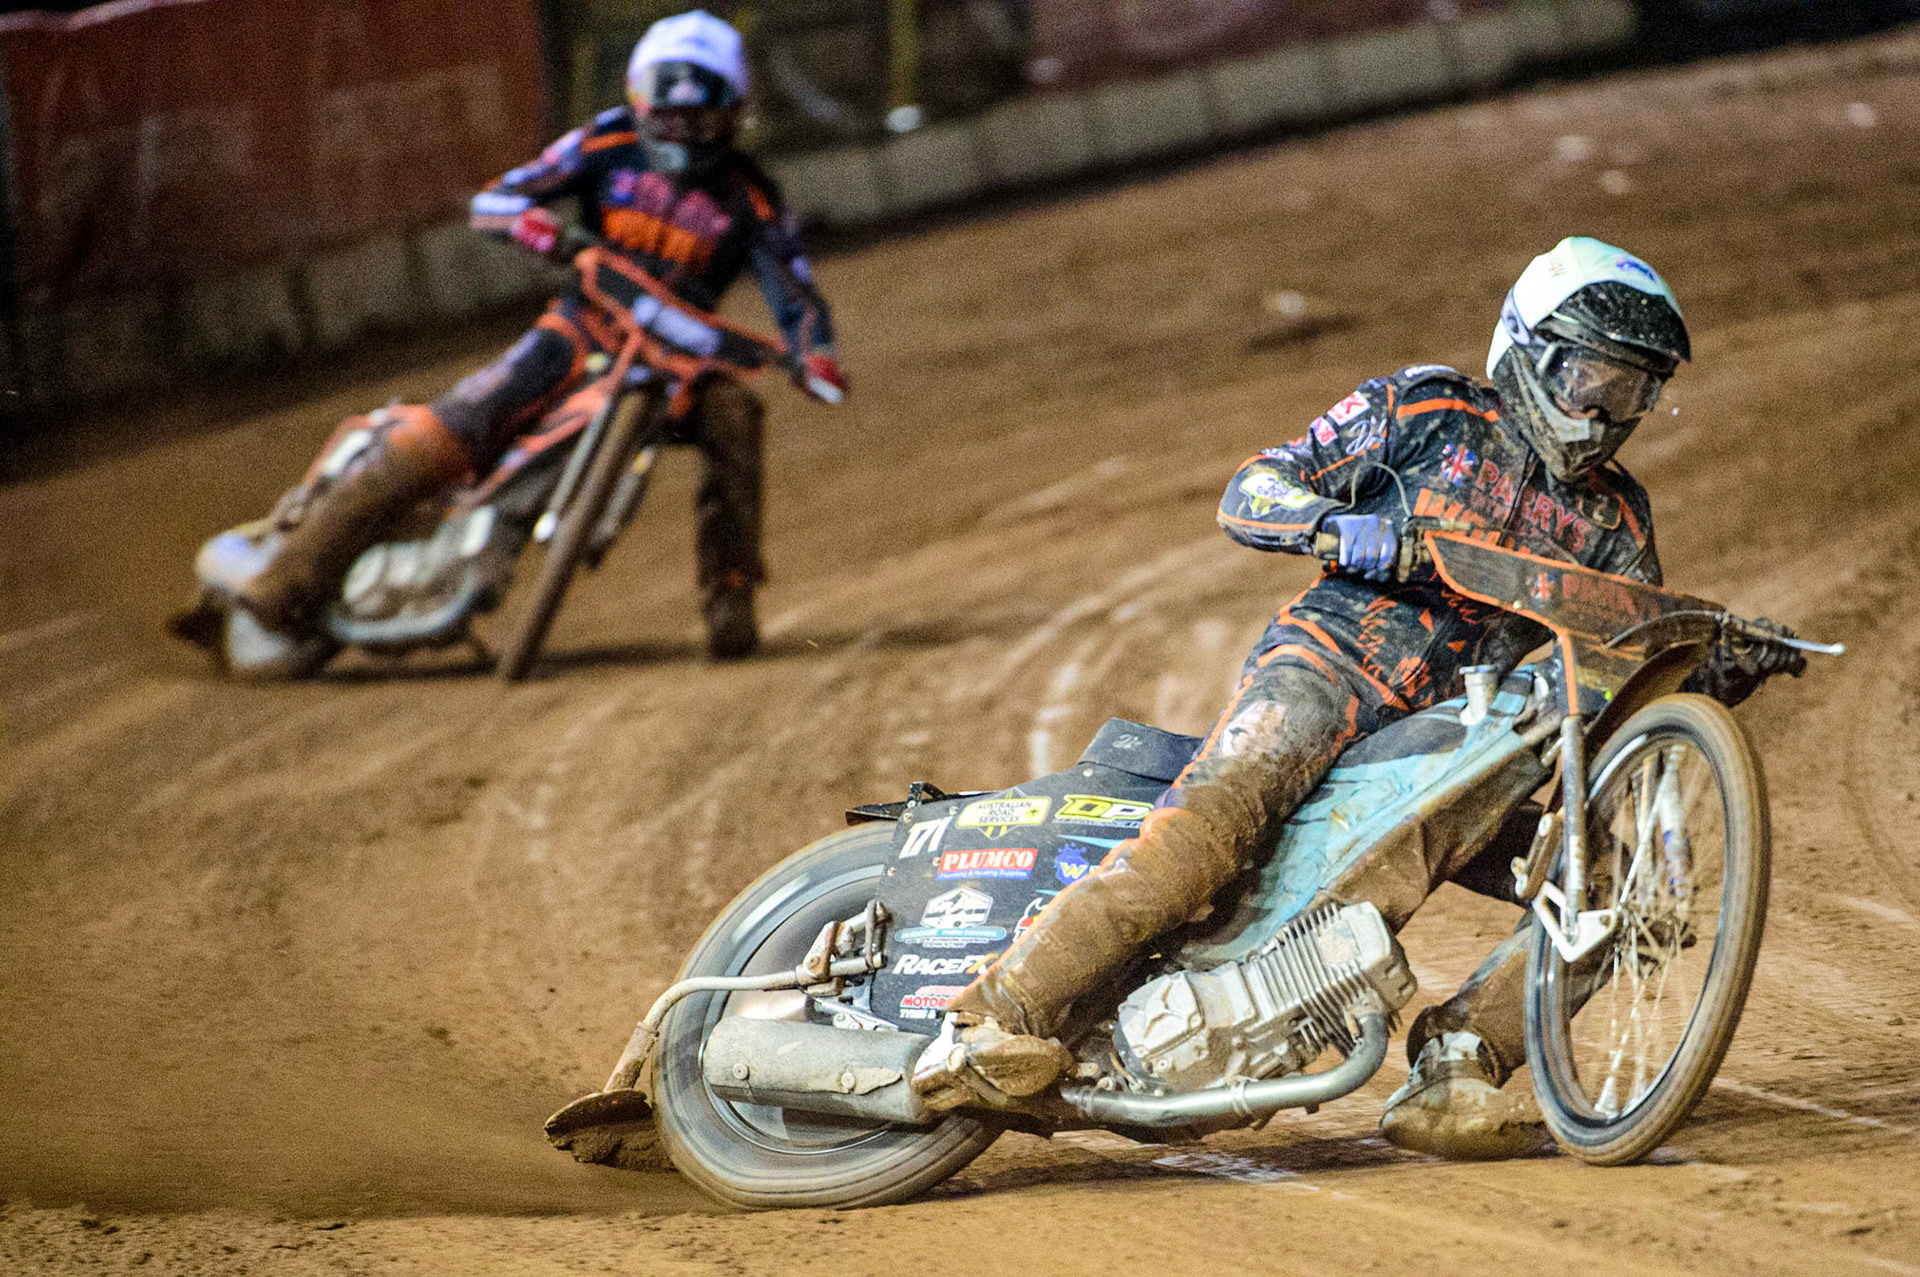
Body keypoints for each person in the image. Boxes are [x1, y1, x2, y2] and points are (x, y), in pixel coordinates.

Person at [911, 237, 1804, 1155]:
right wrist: (1334, 525)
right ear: (1527, 352)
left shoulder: (1617, 522)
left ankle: (1460, 1061)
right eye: (1587, 379)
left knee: (1613, 886)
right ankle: (985, 1020)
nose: (1602, 415)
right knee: (1204, 835)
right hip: (1325, 671)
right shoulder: (1429, 411)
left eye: (1631, 392)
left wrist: (1720, 671)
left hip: (1448, 743)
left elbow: (1615, 683)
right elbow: (1253, 487)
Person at [230, 10, 844, 661]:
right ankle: (286, 582)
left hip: (678, 363)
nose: (681, 134)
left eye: (699, 121)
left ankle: (731, 592)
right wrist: (542, 231)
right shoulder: (605, 142)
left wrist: (817, 356)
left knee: (735, 413)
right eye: (667, 118)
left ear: (733, 116)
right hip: (578, 330)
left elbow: (796, 293)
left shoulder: (753, 199)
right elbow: (497, 200)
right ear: (639, 103)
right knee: (448, 429)